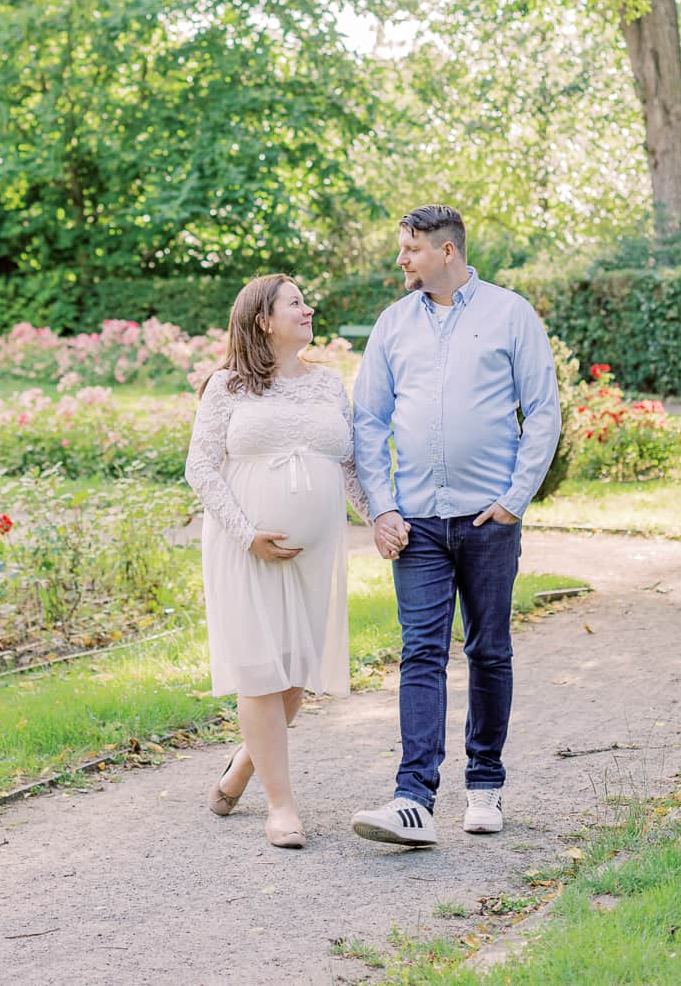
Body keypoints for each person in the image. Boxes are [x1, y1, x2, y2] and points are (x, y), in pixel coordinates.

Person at [350, 205, 560, 848]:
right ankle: (413, 799)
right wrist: (382, 508)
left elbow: (543, 410)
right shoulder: (393, 325)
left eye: (410, 249)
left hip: (487, 520)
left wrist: (514, 499)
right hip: (416, 524)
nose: (401, 260)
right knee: (419, 652)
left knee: (489, 649)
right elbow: (367, 422)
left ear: (447, 252)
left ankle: (486, 785)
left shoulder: (510, 313)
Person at [185, 273, 370, 850]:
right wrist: (247, 534)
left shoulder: (329, 384)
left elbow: (351, 467)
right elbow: (201, 468)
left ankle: (244, 764)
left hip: (315, 554)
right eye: (296, 303)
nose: (308, 309)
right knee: (262, 672)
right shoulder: (228, 387)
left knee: (296, 671)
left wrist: (380, 519)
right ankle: (281, 806)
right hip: (247, 550)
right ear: (264, 319)